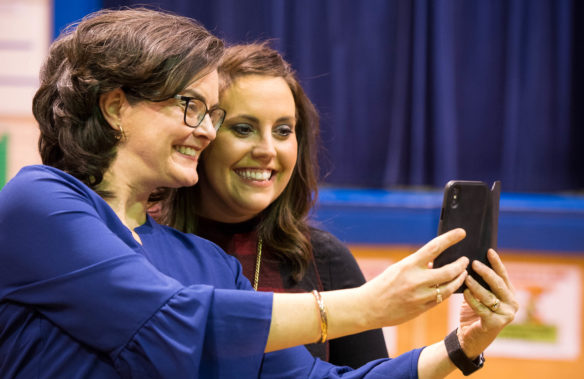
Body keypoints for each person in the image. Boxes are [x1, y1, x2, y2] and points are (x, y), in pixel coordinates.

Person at [0, 7, 518, 378]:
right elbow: (171, 319)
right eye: (190, 106)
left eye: (212, 114)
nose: (204, 131)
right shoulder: (39, 201)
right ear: (115, 107)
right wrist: (368, 306)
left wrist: (461, 345)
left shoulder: (209, 263)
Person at [156, 42, 389, 368]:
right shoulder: (140, 241)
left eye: (283, 131)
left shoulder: (324, 259)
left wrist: (459, 347)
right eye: (243, 129)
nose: (267, 150)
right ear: (201, 135)